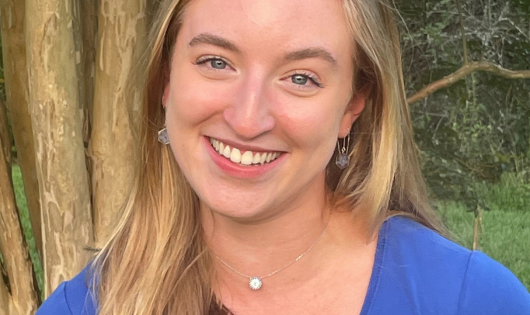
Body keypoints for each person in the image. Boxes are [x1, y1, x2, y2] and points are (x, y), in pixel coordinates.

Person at [37, 0, 530, 314]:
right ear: (166, 81)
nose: (249, 119)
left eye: (301, 78)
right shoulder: (87, 307)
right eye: (216, 62)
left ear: (351, 108)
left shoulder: (470, 300)